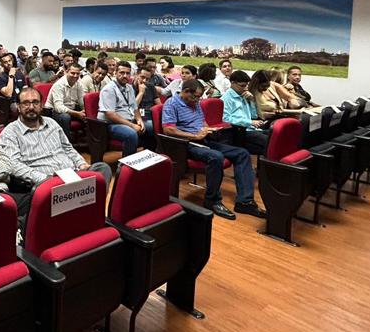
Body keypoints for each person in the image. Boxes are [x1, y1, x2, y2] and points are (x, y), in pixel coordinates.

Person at [161, 80, 267, 221]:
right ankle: (212, 201)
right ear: (186, 91)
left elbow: (202, 122)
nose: (198, 100)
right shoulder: (171, 104)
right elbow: (168, 129)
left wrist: (208, 129)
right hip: (186, 143)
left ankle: (245, 202)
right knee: (215, 157)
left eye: (199, 97)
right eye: (196, 97)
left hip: (202, 139)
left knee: (242, 154)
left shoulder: (195, 103)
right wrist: (194, 135)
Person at [0, 86, 112, 192]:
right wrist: (45, 178)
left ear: (41, 105)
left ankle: (91, 204)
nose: (31, 107)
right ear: (18, 107)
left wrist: (81, 164)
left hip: (72, 173)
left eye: (35, 102)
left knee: (103, 169)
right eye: (26, 103)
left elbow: (68, 148)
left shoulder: (52, 123)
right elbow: (14, 165)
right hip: (46, 181)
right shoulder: (10, 133)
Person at [98, 61, 154, 156]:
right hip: (110, 124)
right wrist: (132, 126)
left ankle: (146, 157)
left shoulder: (129, 87)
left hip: (129, 120)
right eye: (122, 73)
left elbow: (134, 107)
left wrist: (139, 119)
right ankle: (125, 165)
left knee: (152, 126)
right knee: (131, 134)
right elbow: (110, 114)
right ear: (115, 73)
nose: (125, 76)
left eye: (127, 73)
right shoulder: (109, 89)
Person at [223, 70, 270, 154]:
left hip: (251, 129)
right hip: (241, 132)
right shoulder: (226, 99)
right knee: (270, 142)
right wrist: (249, 122)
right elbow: (226, 119)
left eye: (246, 85)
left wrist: (252, 101)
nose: (245, 88)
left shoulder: (244, 95)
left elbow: (254, 116)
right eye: (242, 85)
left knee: (277, 136)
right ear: (233, 83)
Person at [45, 63, 86, 138]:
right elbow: (58, 107)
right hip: (53, 112)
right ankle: (67, 142)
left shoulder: (78, 84)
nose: (75, 76)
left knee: (88, 114)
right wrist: (77, 114)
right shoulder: (59, 85)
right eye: (73, 73)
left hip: (71, 110)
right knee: (65, 117)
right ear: (67, 72)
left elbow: (81, 101)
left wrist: (84, 110)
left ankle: (87, 141)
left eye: (77, 74)